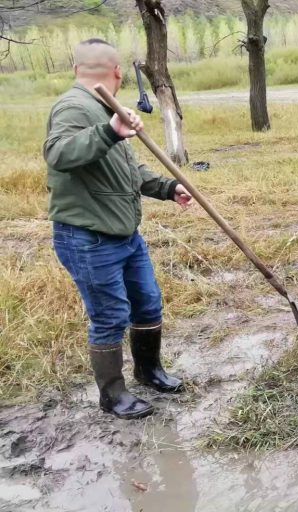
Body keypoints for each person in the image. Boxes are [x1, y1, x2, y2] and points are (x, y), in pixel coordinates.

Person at [44, 38, 194, 420]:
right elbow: (58, 154)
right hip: (89, 238)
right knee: (110, 316)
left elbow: (125, 172)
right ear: (117, 73)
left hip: (124, 234)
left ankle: (149, 372)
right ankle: (113, 395)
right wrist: (109, 131)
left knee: (147, 303)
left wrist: (166, 187)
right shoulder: (72, 107)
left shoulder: (103, 107)